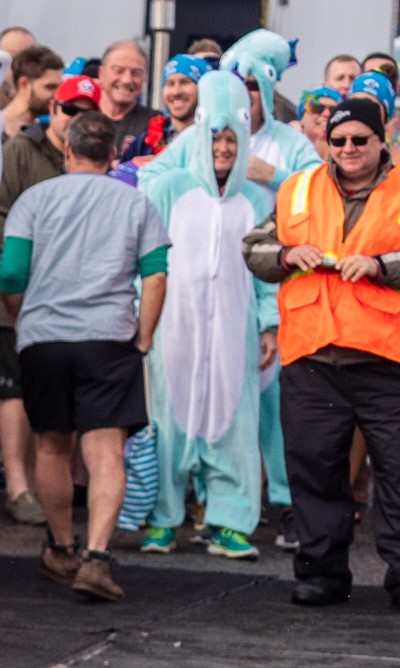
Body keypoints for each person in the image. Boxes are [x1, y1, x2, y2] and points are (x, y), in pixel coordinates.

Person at [245, 92, 400, 614]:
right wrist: (288, 253)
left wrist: (382, 266)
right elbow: (254, 248)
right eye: (337, 140)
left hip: (390, 357)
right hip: (314, 355)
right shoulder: (297, 189)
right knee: (315, 469)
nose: (347, 148)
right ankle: (321, 573)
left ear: (380, 140)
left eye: (359, 139)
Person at [0, 108, 167, 604]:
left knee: (52, 447)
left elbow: (9, 274)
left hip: (45, 338)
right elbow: (156, 274)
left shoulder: (34, 199)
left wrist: (21, 318)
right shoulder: (134, 203)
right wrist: (145, 334)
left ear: (67, 150)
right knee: (105, 451)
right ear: (115, 154)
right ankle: (96, 556)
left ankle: (61, 547)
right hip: (108, 340)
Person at [136, 72, 274, 562]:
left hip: (234, 331)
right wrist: (141, 320)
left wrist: (269, 322)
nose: (222, 148)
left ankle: (230, 521)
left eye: (231, 138)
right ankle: (162, 517)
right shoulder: (168, 188)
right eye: (214, 136)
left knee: (234, 422)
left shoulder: (257, 200)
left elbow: (267, 272)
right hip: (174, 326)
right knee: (167, 421)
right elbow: (144, 263)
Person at [0, 44, 68, 528]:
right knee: (9, 386)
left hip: (58, 292)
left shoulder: (75, 156)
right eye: (56, 92)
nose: (64, 104)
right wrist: (4, 270)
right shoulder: (15, 148)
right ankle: (17, 485)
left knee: (42, 384)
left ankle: (39, 479)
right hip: (10, 286)